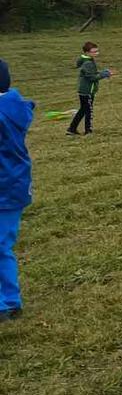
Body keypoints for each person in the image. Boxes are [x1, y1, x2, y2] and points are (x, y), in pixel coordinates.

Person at [0, 59, 34, 321]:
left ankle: (9, 303)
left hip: (6, 190)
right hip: (13, 188)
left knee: (1, 246)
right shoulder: (14, 107)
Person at [67, 40, 112, 135]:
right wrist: (105, 74)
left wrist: (103, 72)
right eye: (94, 52)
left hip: (84, 91)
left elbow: (92, 74)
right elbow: (92, 78)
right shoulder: (88, 63)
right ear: (87, 52)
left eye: (97, 51)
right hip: (87, 91)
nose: (97, 53)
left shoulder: (87, 61)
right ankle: (88, 131)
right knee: (89, 111)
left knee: (83, 110)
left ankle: (71, 129)